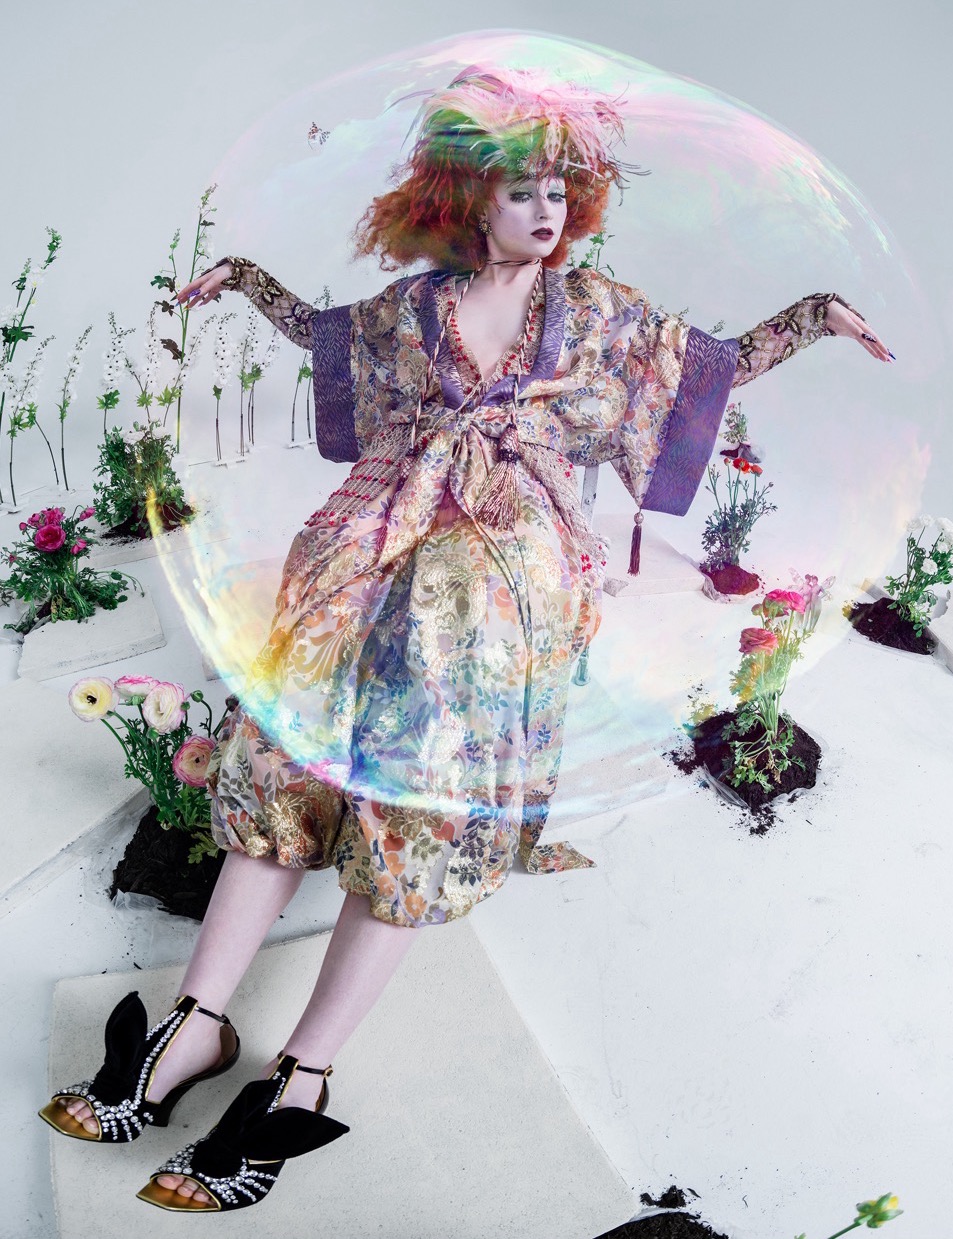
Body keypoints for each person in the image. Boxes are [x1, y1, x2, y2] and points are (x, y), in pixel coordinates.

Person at [39, 66, 892, 1214]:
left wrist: (813, 316)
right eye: (519, 190)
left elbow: (702, 366)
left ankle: (304, 1070)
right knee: (287, 757)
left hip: (498, 576)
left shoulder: (597, 312)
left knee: (420, 797)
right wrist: (242, 280)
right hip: (365, 545)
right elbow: (324, 337)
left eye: (558, 192)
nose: (544, 210)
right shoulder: (415, 306)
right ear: (466, 200)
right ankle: (194, 1024)